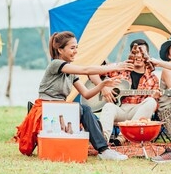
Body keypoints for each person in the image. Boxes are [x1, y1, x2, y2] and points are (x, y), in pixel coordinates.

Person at [15, 31, 134, 160]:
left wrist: (102, 85)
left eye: (77, 47)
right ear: (60, 50)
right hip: (46, 109)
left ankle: (103, 147)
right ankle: (103, 150)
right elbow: (86, 70)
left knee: (86, 110)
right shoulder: (55, 64)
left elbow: (87, 94)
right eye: (72, 48)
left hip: (60, 109)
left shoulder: (71, 73)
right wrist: (116, 66)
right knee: (84, 109)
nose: (76, 51)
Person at [89, 39, 160, 145]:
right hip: (120, 109)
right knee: (108, 106)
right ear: (130, 54)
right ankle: (102, 142)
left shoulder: (153, 78)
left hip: (137, 113)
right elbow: (92, 73)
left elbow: (152, 108)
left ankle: (123, 137)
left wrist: (155, 98)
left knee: (151, 102)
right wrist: (103, 88)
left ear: (147, 55)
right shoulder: (119, 68)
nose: (139, 56)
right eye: (135, 52)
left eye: (142, 53)